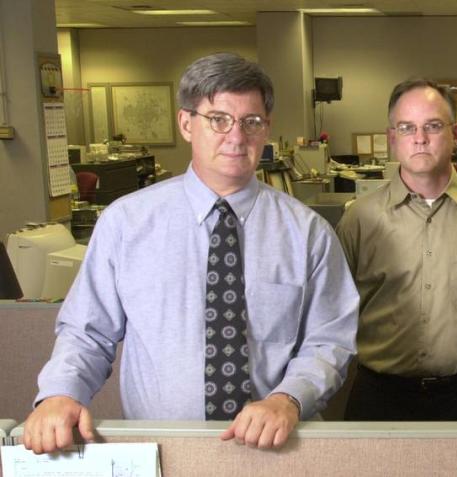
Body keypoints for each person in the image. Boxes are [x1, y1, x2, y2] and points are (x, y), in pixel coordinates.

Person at [24, 52, 359, 453]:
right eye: (218, 119)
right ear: (186, 123)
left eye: (251, 122)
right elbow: (87, 332)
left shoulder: (308, 233)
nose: (236, 136)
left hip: (275, 451)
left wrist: (286, 399)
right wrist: (61, 392)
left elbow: (330, 340)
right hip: (163, 450)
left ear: (266, 128)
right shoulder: (126, 224)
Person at [335, 79, 457, 421]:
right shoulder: (360, 220)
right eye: (407, 127)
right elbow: (332, 316)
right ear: (392, 138)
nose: (420, 138)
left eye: (433, 126)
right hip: (380, 399)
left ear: (456, 133)